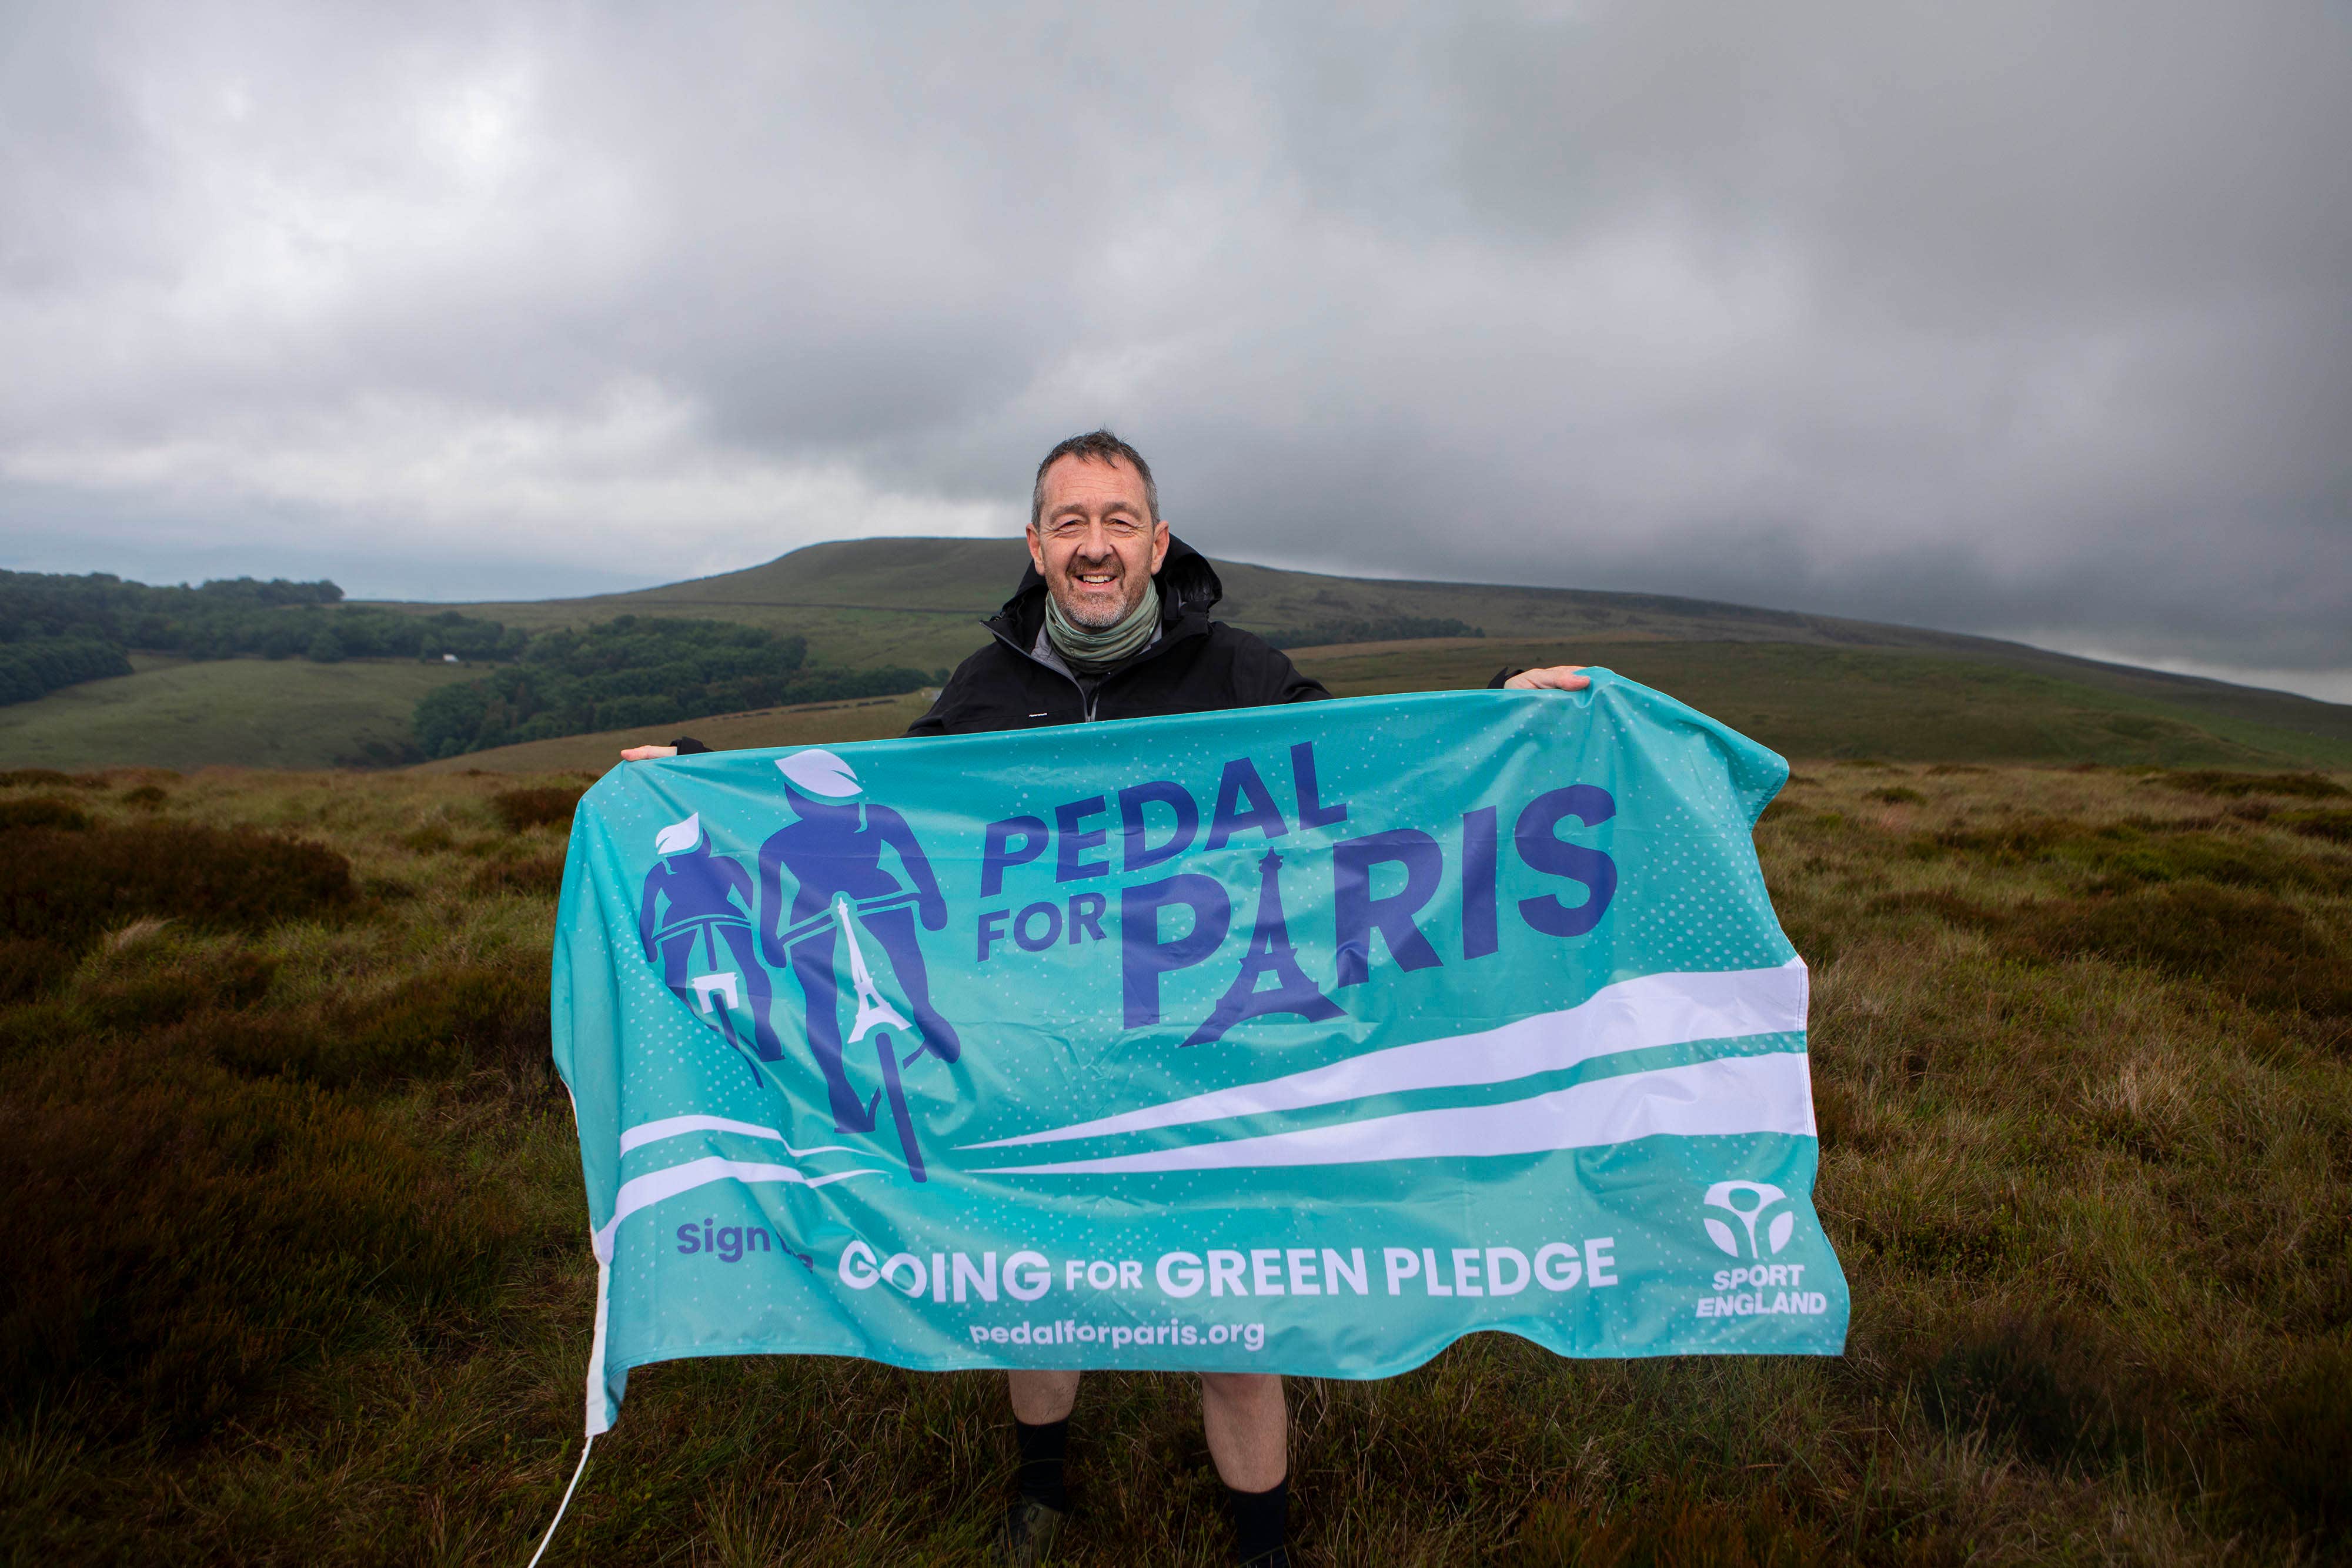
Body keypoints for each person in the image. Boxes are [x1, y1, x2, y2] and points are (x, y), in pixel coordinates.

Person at [626, 429, 1588, 1566]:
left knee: (1233, 1313)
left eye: (1118, 522)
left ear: (1157, 541)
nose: (1096, 547)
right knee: (1033, 1279)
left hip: (1211, 1056)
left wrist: (1502, 713)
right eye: (1071, 524)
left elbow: (1367, 781)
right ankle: (1044, 1488)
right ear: (1037, 547)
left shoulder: (1239, 673)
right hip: (1034, 1050)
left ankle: (1261, 1547)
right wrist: (697, 777)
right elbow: (886, 819)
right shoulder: (985, 688)